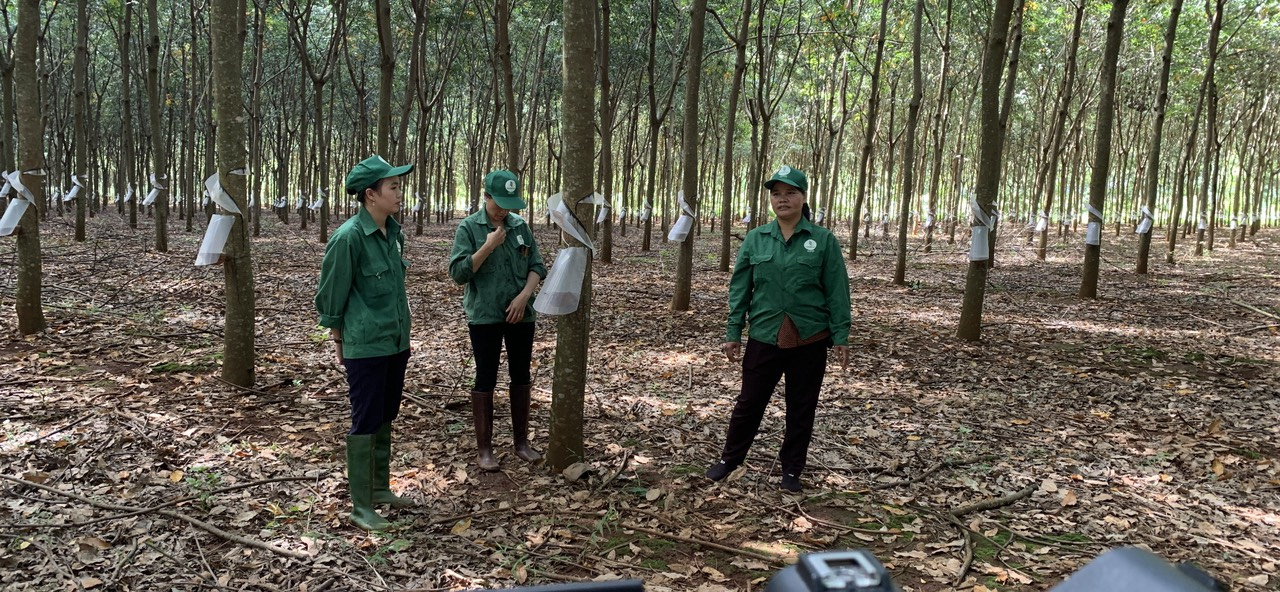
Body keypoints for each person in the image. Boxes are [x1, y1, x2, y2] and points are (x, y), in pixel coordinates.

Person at [706, 165, 851, 492]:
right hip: (764, 335)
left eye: (790, 193)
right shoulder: (756, 239)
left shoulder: (823, 240)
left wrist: (841, 334)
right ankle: (730, 460)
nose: (782, 199)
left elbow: (837, 290)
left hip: (810, 337)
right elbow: (740, 288)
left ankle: (791, 471)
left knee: (801, 407)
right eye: (776, 194)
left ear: (803, 197)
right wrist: (733, 331)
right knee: (749, 403)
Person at [314, 155, 416, 530]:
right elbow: (331, 294)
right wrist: (338, 339)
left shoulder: (394, 232)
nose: (399, 193)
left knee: (386, 413)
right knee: (366, 417)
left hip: (395, 339)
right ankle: (361, 507)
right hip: (366, 344)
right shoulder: (348, 238)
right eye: (393, 187)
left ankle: (378, 488)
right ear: (371, 195)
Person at [448, 170, 546, 471]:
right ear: (486, 197)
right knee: (486, 376)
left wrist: (524, 297)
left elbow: (537, 266)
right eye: (499, 202)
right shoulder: (469, 228)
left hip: (521, 314)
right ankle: (485, 448)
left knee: (520, 374)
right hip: (485, 315)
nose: (504, 210)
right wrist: (488, 245)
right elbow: (459, 274)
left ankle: (520, 442)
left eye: (509, 204)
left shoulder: (520, 226)